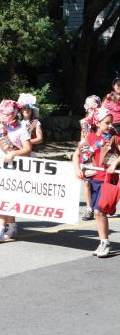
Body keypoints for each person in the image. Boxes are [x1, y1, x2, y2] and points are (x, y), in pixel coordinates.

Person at [73, 107, 120, 257]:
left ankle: (105, 243)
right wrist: (78, 170)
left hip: (108, 180)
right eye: (107, 123)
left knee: (100, 211)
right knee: (99, 214)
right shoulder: (90, 137)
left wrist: (114, 164)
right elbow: (76, 155)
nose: (110, 125)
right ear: (98, 123)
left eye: (111, 123)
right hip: (95, 180)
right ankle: (103, 241)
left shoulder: (114, 137)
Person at [0, 99, 31, 242]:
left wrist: (13, 154)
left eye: (4, 114)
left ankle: (0, 228)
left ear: (13, 114)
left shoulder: (22, 129)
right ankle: (12, 228)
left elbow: (27, 149)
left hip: (14, 169)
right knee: (4, 198)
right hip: (0, 167)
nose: (1, 116)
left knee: (5, 198)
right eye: (0, 113)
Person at [79, 95, 101, 220]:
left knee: (98, 181)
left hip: (98, 151)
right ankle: (89, 209)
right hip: (87, 151)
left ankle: (99, 205)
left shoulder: (101, 120)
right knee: (87, 181)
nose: (89, 109)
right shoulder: (84, 122)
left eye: (92, 107)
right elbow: (82, 137)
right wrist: (81, 151)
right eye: (87, 106)